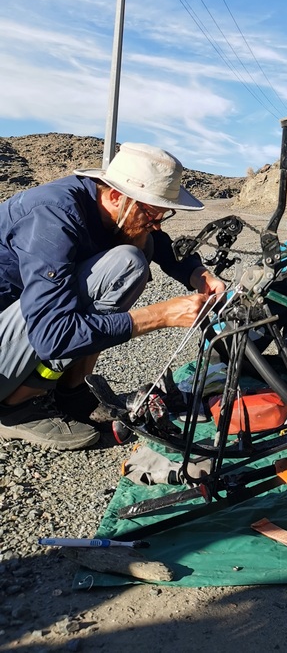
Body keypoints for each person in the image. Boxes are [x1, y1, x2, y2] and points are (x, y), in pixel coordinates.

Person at [0, 142, 225, 451]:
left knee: (138, 247)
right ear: (117, 196)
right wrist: (161, 315)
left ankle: (71, 390)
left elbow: (157, 241)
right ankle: (18, 406)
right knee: (127, 263)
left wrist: (197, 273)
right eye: (151, 213)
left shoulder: (106, 205)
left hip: (15, 327)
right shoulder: (53, 217)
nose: (157, 224)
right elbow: (50, 336)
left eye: (163, 214)